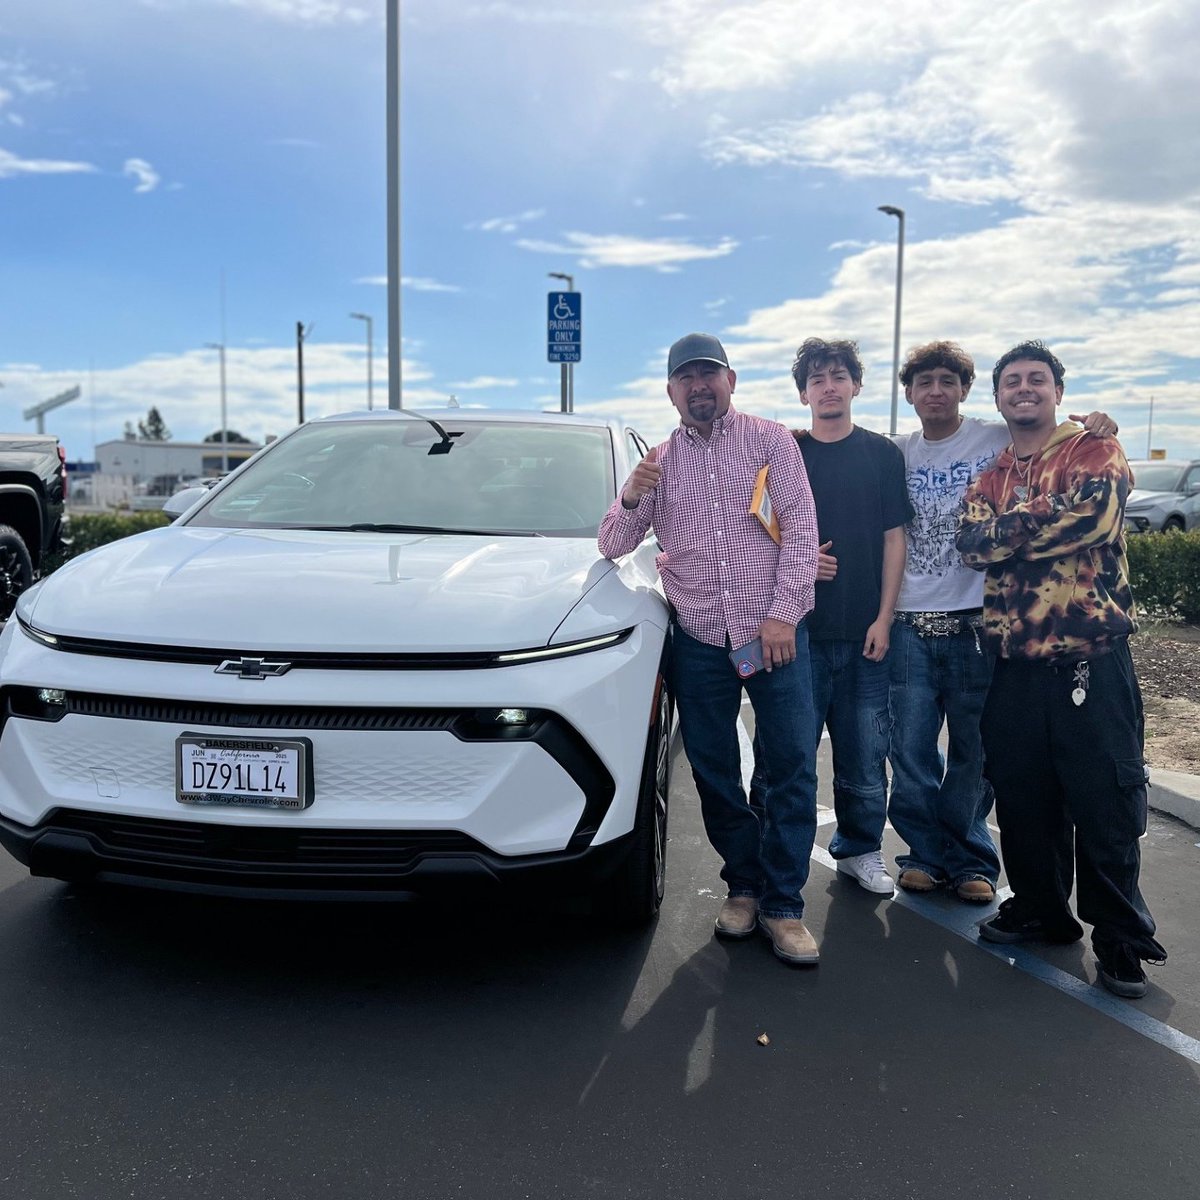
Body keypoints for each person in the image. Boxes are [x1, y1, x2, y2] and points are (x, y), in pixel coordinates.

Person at [598, 333, 823, 965]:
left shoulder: (770, 440)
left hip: (771, 634)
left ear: (731, 379)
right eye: (685, 378)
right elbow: (612, 543)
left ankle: (784, 905)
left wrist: (782, 617)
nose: (699, 387)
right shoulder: (661, 461)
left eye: (709, 375)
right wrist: (635, 491)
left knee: (790, 764)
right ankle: (744, 886)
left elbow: (802, 530)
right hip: (698, 639)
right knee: (714, 769)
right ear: (671, 392)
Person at [956, 340, 1166, 999]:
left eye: (1036, 379)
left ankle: (1120, 940)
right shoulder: (989, 474)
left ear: (1057, 391)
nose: (1024, 388)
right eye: (1012, 380)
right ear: (998, 397)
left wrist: (1007, 532)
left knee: (1105, 802)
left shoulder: (1091, 449)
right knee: (1023, 800)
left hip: (1091, 661)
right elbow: (970, 543)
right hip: (1014, 664)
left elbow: (1096, 518)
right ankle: (1042, 910)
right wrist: (1033, 523)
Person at [888, 342, 1118, 904]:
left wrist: (1100, 426)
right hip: (909, 619)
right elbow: (971, 541)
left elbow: (1065, 454)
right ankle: (922, 853)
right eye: (924, 383)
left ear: (968, 390)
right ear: (911, 394)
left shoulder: (996, 437)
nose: (936, 391)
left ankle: (971, 859)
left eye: (948, 380)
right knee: (911, 750)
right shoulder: (895, 451)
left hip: (979, 625)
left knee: (976, 749)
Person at [783, 338, 912, 896]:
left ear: (856, 386)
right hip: (799, 632)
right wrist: (798, 559)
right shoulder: (786, 452)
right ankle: (775, 861)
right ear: (804, 392)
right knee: (788, 759)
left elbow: (894, 538)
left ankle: (860, 850)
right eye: (816, 379)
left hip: (866, 634)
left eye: (838, 376)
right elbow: (760, 531)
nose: (828, 386)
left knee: (865, 756)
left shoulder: (882, 454)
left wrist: (884, 618)